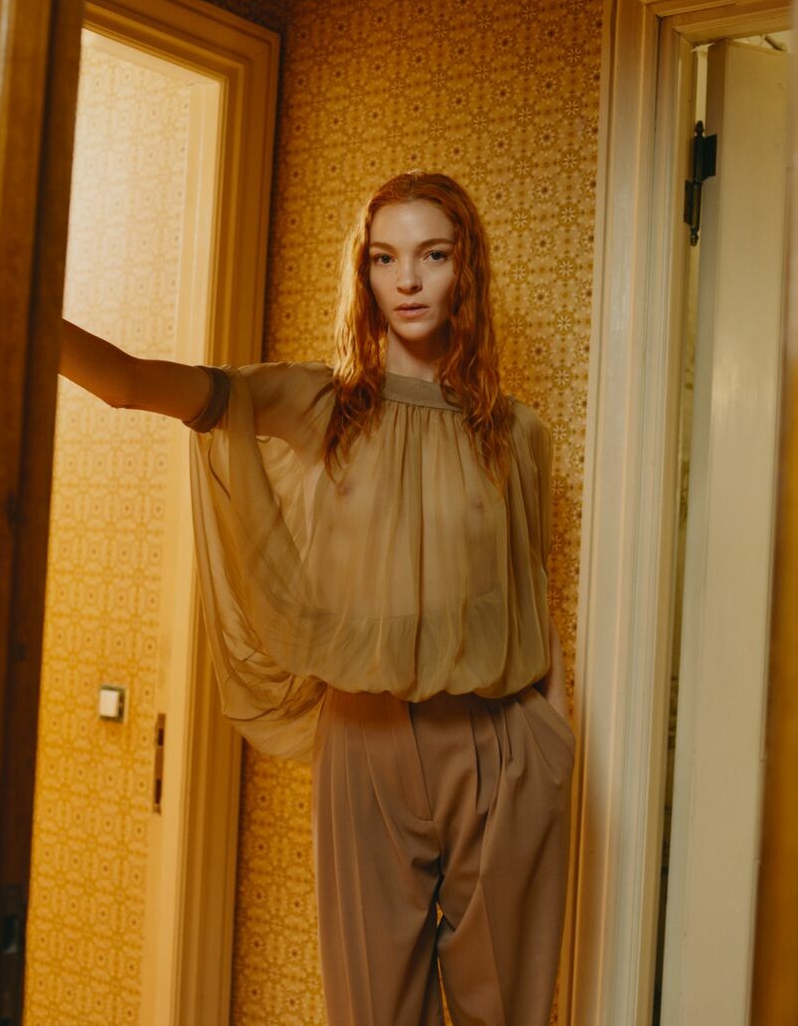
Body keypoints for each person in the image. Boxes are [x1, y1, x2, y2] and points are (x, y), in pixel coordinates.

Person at [59, 170, 574, 1025]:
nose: (408, 280)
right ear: (364, 274)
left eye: (433, 255)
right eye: (385, 258)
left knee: (505, 1011)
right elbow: (128, 382)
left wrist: (553, 732)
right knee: (372, 1010)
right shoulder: (321, 406)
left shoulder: (516, 433)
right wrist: (16, 296)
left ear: (466, 268)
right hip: (363, 742)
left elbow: (529, 589)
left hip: (499, 741)